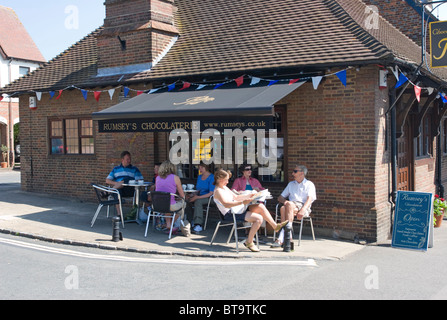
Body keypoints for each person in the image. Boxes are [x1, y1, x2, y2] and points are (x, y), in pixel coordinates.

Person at [213, 169, 289, 252]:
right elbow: (226, 204)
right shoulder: (218, 191)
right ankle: (249, 242)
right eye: (226, 179)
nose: (227, 182)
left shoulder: (224, 187)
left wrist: (250, 195)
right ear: (220, 180)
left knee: (260, 206)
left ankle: (275, 226)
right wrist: (242, 202)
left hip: (237, 209)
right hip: (230, 214)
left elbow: (236, 197)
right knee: (258, 219)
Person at [271, 164, 316, 248]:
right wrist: (286, 202)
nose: (292, 174)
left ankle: (283, 237)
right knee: (284, 207)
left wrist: (303, 210)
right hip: (290, 205)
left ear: (302, 173)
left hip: (302, 206)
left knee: (285, 207)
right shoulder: (291, 184)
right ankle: (288, 236)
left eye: (295, 171)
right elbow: (280, 197)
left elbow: (309, 200)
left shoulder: (309, 184)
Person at [155, 160, 185, 234]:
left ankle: (168, 225)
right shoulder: (175, 178)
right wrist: (182, 198)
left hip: (158, 205)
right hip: (170, 205)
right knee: (183, 204)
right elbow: (182, 195)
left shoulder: (157, 178)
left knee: (167, 206)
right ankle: (171, 224)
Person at [187, 162, 215, 233]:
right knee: (187, 200)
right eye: (199, 168)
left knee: (198, 202)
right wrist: (192, 195)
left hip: (210, 197)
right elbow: (198, 189)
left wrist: (197, 197)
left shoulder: (212, 177)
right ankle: (190, 220)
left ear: (206, 167)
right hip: (200, 195)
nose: (200, 169)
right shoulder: (199, 177)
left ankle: (198, 224)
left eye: (202, 167)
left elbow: (211, 193)